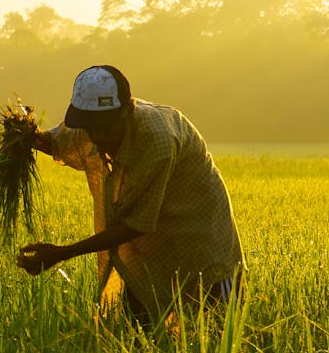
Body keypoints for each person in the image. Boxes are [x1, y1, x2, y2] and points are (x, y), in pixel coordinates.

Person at [17, 65, 242, 328]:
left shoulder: (158, 140)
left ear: (128, 111)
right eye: (91, 129)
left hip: (199, 236)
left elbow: (136, 225)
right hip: (151, 247)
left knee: (220, 330)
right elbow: (57, 142)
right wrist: (24, 136)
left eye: (105, 128)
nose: (97, 137)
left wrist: (63, 253)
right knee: (138, 328)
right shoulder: (95, 125)